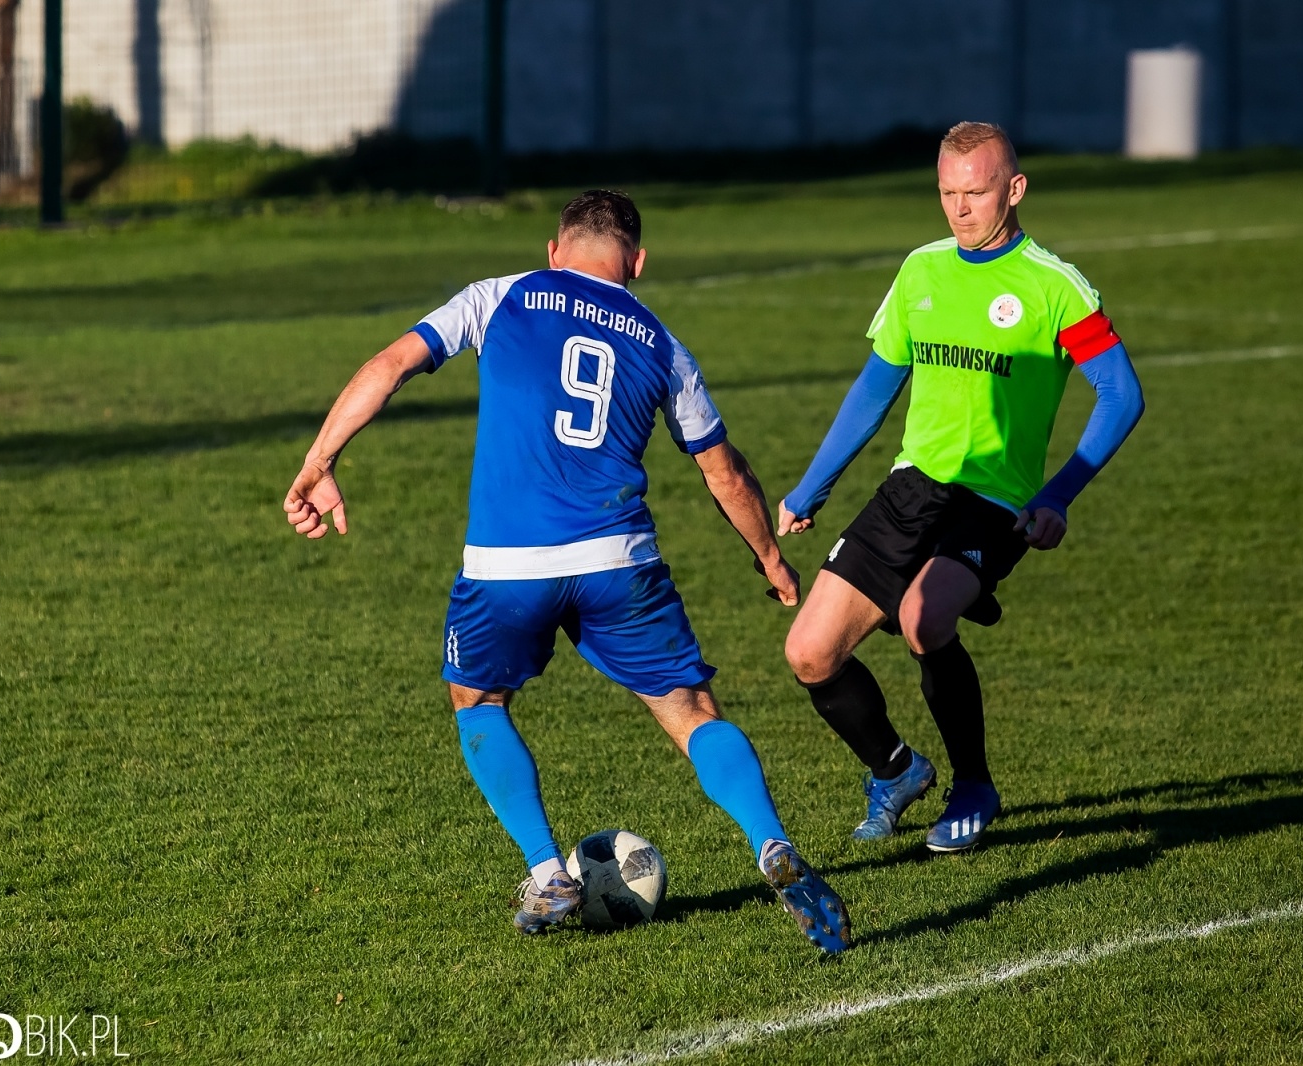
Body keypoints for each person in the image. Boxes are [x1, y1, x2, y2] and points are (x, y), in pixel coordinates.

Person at [284, 190, 848, 952]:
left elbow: (389, 366)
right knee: (690, 712)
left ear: (556, 249)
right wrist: (773, 560)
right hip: (619, 561)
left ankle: (549, 873)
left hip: (506, 567)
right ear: (637, 263)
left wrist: (320, 463)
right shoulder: (661, 342)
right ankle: (772, 845)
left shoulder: (500, 296)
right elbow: (725, 474)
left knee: (476, 697)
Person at [777, 122, 1145, 853]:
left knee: (921, 620)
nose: (959, 208)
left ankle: (973, 783)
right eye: (947, 193)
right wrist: (808, 490)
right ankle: (896, 770)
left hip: (992, 504)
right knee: (810, 654)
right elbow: (874, 388)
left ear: (1013, 189)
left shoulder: (1052, 286)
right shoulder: (922, 271)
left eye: (974, 192)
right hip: (912, 489)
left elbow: (1122, 394)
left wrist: (1057, 495)